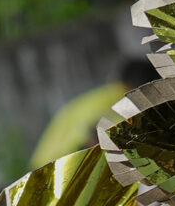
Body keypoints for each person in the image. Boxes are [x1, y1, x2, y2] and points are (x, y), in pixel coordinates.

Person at [29, 59, 157, 172]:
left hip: (42, 167)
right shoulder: (122, 102)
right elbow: (91, 139)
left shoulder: (98, 97)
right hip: (62, 170)